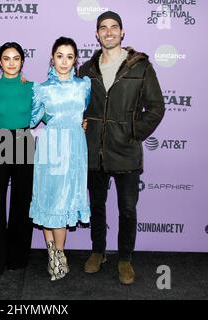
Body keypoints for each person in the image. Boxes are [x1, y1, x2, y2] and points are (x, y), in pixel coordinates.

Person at [78, 11, 165, 284]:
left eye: (114, 27)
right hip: (94, 151)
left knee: (127, 208)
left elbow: (156, 108)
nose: (109, 32)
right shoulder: (85, 70)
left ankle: (125, 258)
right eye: (103, 28)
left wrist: (133, 132)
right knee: (97, 205)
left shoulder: (140, 67)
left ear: (123, 32)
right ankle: (98, 251)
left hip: (126, 151)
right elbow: (78, 107)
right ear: (96, 34)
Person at [29, 37, 91, 281]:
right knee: (49, 199)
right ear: (51, 58)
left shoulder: (84, 85)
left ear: (75, 60)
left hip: (75, 147)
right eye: (59, 56)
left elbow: (83, 112)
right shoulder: (41, 88)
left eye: (69, 56)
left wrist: (80, 123)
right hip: (50, 147)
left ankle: (59, 254)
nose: (64, 61)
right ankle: (54, 256)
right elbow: (33, 120)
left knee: (64, 200)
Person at [0, 42, 35, 280]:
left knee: (22, 202)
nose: (11, 62)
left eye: (16, 58)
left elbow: (48, 112)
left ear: (22, 61)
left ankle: (17, 258)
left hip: (23, 140)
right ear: (0, 62)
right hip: (0, 141)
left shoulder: (33, 88)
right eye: (6, 58)